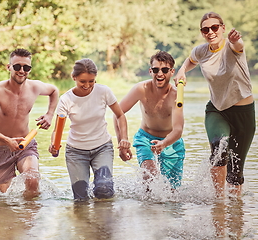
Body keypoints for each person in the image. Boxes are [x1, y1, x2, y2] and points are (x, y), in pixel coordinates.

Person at [174, 12, 255, 198]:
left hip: (243, 112)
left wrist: (235, 40)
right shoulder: (201, 51)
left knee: (236, 172)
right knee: (219, 151)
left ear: (223, 28)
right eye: (205, 29)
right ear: (202, 32)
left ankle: (236, 213)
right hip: (217, 110)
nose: (210, 32)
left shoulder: (233, 46)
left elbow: (238, 45)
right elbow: (190, 60)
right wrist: (181, 71)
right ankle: (219, 203)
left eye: (214, 27)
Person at [0, 48, 59, 199]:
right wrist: (6, 140)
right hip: (0, 149)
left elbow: (54, 90)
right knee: (5, 200)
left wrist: (49, 114)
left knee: (32, 180)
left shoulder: (34, 87)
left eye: (26, 67)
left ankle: (30, 222)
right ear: (8, 67)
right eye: (17, 66)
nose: (22, 71)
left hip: (25, 144)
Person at [48, 58, 131, 201]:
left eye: (91, 81)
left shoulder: (103, 91)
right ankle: (85, 223)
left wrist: (123, 139)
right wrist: (54, 145)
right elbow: (57, 128)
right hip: (76, 152)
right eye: (82, 81)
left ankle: (103, 221)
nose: (87, 85)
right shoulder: (66, 99)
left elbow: (120, 115)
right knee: (81, 199)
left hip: (102, 147)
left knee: (104, 189)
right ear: (74, 78)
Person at [114, 51, 185, 190]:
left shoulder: (176, 95)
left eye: (164, 70)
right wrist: (122, 141)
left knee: (172, 193)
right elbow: (118, 113)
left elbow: (178, 130)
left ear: (172, 72)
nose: (160, 74)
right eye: (155, 69)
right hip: (145, 138)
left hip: (171, 142)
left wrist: (164, 143)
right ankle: (147, 210)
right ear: (150, 71)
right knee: (149, 178)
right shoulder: (141, 89)